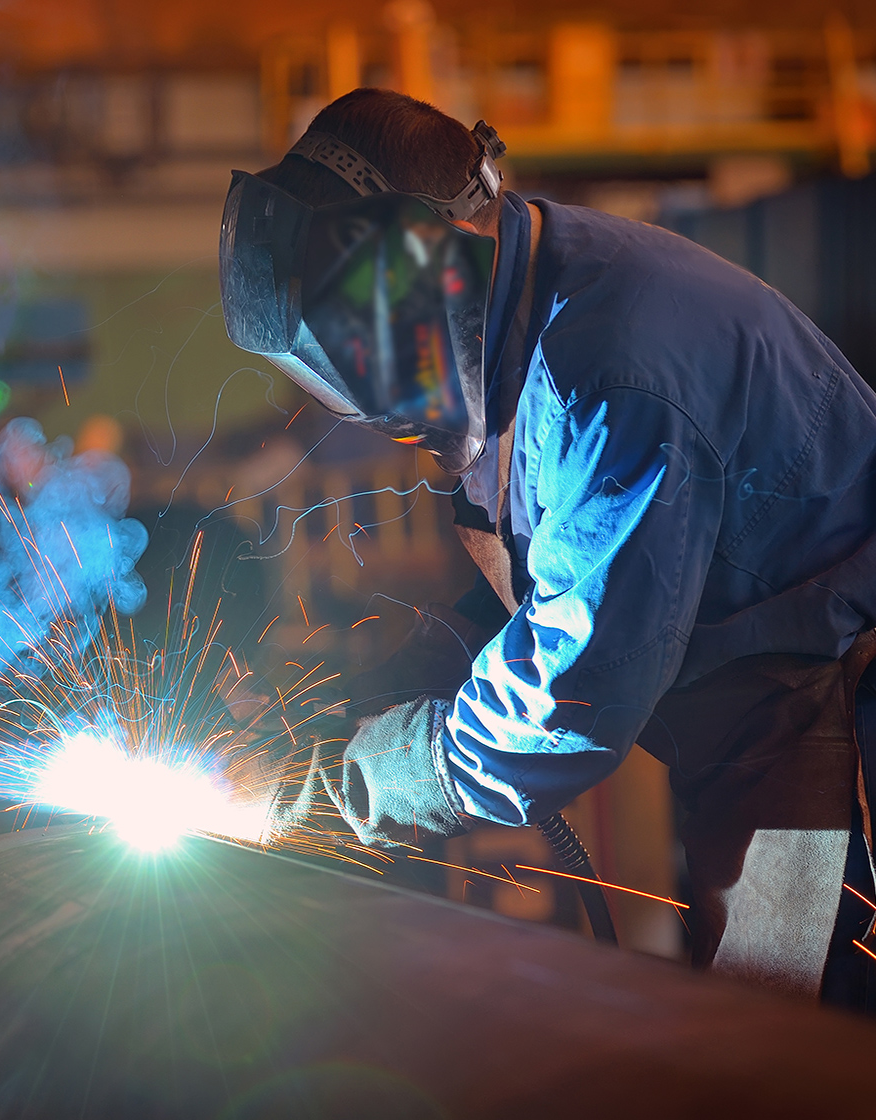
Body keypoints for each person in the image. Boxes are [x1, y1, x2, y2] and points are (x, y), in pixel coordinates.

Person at [218, 87, 876, 1006]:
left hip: (834, 711)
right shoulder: (532, 308)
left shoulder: (604, 377)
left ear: (441, 247)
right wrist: (371, 686)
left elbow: (568, 695)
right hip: (769, 701)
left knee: (787, 1051)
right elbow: (556, 580)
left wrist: (353, 784)